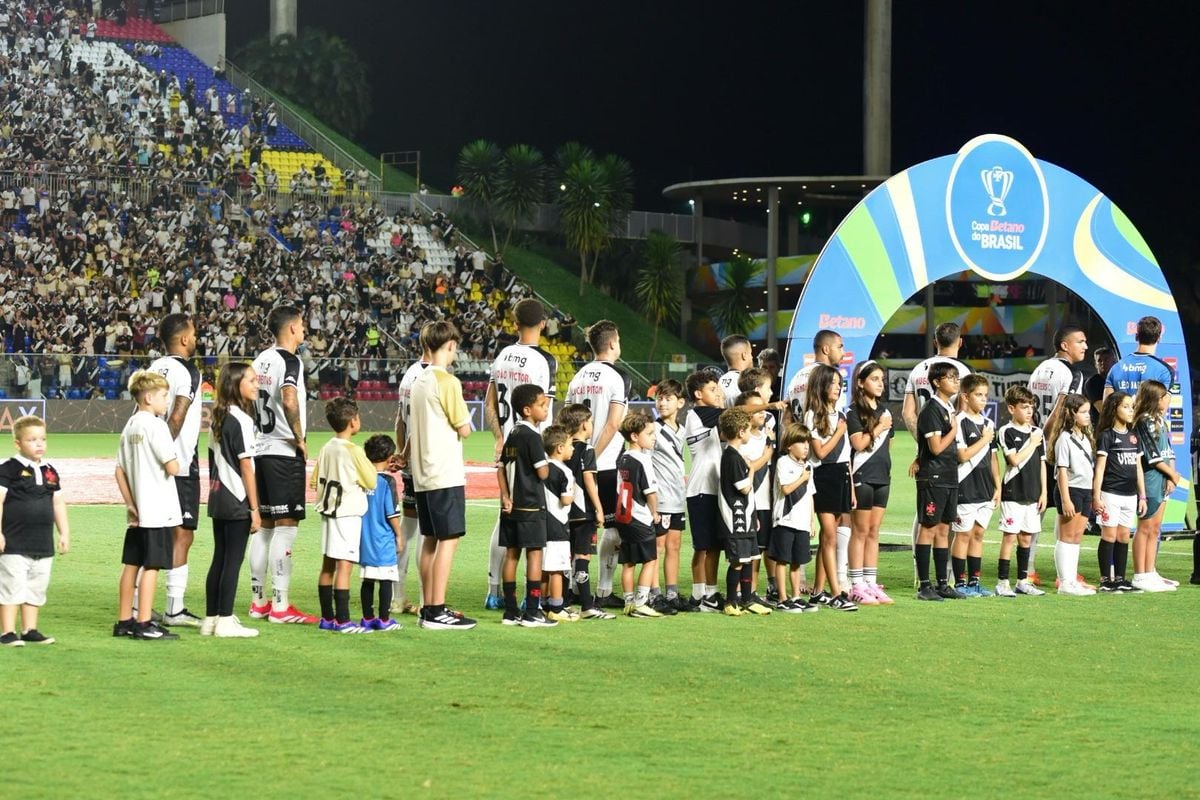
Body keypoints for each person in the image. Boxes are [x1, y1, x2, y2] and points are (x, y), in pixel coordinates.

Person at [484, 299, 557, 609]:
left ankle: (494, 590)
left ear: (515, 324)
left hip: (509, 443)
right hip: (532, 444)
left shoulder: (502, 356)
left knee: (505, 519)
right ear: (543, 323)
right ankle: (538, 596)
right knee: (538, 523)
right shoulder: (544, 360)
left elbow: (488, 403)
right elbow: (546, 407)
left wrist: (500, 437)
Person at [250, 306, 317, 624]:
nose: (304, 330)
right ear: (291, 328)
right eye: (302, 325)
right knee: (286, 529)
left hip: (260, 449)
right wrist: (299, 437)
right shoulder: (290, 361)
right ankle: (280, 606)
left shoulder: (260, 359)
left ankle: (258, 601)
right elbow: (289, 397)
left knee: (264, 529)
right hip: (282, 452)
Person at [409, 321, 477, 630]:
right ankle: (436, 610)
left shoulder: (419, 379)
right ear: (448, 344)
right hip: (444, 472)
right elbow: (464, 427)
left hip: (423, 472)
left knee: (430, 540)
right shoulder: (447, 381)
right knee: (448, 540)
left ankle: (429, 605)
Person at [113, 370, 183, 640]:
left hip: (138, 510)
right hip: (157, 509)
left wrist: (130, 503)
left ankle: (123, 620)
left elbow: (119, 471)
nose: (167, 401)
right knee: (152, 565)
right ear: (149, 397)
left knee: (131, 564)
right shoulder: (156, 426)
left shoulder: (130, 425)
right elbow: (173, 467)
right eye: (164, 396)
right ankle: (143, 623)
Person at [564, 321, 629, 608]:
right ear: (613, 343)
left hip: (574, 465)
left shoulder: (578, 376)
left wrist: (576, 457)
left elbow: (564, 419)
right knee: (612, 528)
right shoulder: (617, 377)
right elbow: (614, 424)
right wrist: (592, 455)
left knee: (575, 527)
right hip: (606, 464)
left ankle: (571, 586)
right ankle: (603, 590)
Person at [785, 329, 853, 587]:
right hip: (823, 461)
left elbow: (788, 419)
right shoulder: (825, 380)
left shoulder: (796, 378)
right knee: (829, 526)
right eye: (839, 346)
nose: (843, 352)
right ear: (825, 349)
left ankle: (802, 578)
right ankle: (837, 582)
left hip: (800, 456)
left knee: (803, 521)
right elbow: (828, 425)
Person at [149, 313, 204, 628]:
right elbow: (177, 417)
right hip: (178, 464)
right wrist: (164, 455)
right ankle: (174, 608)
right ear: (184, 339)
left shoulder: (153, 367)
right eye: (193, 334)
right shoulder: (188, 370)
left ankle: (135, 605)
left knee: (152, 532)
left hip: (151, 463)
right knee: (183, 534)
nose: (195, 339)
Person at [203, 363, 262, 638]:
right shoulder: (242, 421)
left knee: (220, 559)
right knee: (233, 561)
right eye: (250, 380)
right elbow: (247, 467)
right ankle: (225, 620)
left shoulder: (218, 416)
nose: (256, 384)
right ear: (236, 384)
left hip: (218, 497)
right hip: (237, 497)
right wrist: (255, 508)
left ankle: (211, 618)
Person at [0, 416, 70, 647]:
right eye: (32, 440)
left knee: (36, 586)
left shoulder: (50, 471)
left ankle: (30, 629)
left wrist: (64, 533)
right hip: (14, 541)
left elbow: (58, 503)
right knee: (12, 585)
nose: (39, 444)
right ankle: (8, 632)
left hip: (43, 543)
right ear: (18, 443)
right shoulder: (8, 469)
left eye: (42, 439)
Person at [1026, 325, 1088, 584]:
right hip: (1055, 447)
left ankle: (1027, 569)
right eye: (1080, 342)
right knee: (1067, 507)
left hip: (1034, 443)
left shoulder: (1041, 368)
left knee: (1035, 509)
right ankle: (1066, 573)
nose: (1085, 346)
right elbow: (1062, 412)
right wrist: (1050, 446)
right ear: (1065, 345)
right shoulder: (1072, 374)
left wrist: (1035, 440)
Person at [311, 397, 378, 634]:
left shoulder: (326, 447)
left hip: (328, 511)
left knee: (327, 565)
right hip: (347, 513)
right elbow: (371, 480)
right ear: (352, 421)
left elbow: (314, 480)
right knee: (345, 566)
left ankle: (327, 618)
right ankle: (343, 621)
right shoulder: (354, 450)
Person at [497, 384, 554, 628]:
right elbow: (542, 472)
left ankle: (510, 611)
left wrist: (505, 496)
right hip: (531, 504)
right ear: (528, 410)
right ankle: (532, 611)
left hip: (511, 506)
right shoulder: (532, 436)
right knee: (535, 555)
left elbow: (501, 468)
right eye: (542, 405)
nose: (547, 407)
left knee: (511, 554)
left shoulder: (513, 433)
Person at [803, 364, 857, 611]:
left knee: (829, 537)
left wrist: (852, 488)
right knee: (829, 536)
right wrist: (839, 431)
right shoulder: (813, 414)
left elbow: (845, 455)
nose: (837, 387)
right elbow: (821, 452)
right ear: (821, 385)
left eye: (839, 383)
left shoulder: (840, 413)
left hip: (841, 474)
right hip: (823, 475)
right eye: (833, 383)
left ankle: (818, 591)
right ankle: (836, 593)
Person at [914, 361, 964, 601]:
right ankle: (924, 586)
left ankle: (943, 583)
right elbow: (934, 448)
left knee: (944, 529)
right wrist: (953, 431)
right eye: (950, 377)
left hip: (948, 475)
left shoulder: (947, 408)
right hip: (933, 477)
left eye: (956, 377)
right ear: (936, 382)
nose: (955, 381)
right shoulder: (932, 409)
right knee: (929, 528)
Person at [847, 360, 895, 605]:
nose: (880, 384)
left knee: (874, 531)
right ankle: (856, 584)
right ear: (860, 382)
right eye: (874, 379)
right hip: (862, 475)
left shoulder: (885, 411)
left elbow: (889, 445)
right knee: (861, 531)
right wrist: (878, 428)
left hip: (882, 477)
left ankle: (870, 582)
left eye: (881, 379)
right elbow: (858, 444)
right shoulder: (854, 412)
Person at [559, 404, 612, 619]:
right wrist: (599, 509)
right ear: (583, 425)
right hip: (583, 512)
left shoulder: (561, 447)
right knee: (582, 556)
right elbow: (589, 480)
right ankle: (588, 606)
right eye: (589, 421)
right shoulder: (587, 450)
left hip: (563, 511)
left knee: (563, 557)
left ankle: (560, 602)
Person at [716, 408, 770, 616]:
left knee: (749, 557)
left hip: (745, 517)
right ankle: (731, 601)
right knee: (738, 561)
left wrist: (753, 515)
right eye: (748, 429)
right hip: (735, 518)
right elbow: (745, 488)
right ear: (740, 432)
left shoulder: (735, 455)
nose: (750, 433)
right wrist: (753, 469)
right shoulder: (732, 457)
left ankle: (747, 599)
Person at [996, 386, 1047, 597]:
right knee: (1010, 537)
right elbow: (1014, 460)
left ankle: (1022, 581)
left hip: (1033, 494)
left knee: (1026, 539)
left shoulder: (1038, 433)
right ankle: (1002, 582)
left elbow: (1042, 464)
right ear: (1011, 408)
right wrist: (1032, 443)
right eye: (1024, 407)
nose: (1029, 411)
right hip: (1013, 493)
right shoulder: (1006, 431)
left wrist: (1044, 492)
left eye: (1031, 407)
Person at [950, 374, 999, 597]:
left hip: (985, 488)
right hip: (965, 486)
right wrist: (984, 439)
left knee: (978, 534)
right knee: (963, 535)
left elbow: (993, 458)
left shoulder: (989, 424)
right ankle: (959, 583)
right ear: (965, 396)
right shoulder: (958, 421)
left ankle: (974, 582)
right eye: (978, 395)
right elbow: (962, 455)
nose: (983, 400)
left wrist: (997, 486)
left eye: (985, 395)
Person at [392, 340, 431, 616]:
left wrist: (402, 454)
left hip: (410, 467)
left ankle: (397, 598)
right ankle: (427, 601)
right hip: (429, 466)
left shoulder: (409, 374)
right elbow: (421, 424)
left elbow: (400, 421)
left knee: (407, 530)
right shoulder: (433, 377)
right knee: (429, 535)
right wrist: (408, 453)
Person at [1044, 394, 1097, 595]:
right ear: (1072, 414)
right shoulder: (1064, 438)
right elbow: (1062, 472)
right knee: (1066, 537)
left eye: (1088, 411)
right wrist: (1065, 499)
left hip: (1084, 491)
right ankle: (1065, 583)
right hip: (1071, 490)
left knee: (1076, 537)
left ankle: (1072, 579)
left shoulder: (1084, 436)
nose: (1087, 415)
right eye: (1083, 412)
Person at [683, 370, 726, 611]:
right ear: (698, 394)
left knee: (713, 545)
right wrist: (770, 404)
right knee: (703, 545)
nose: (717, 392)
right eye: (712, 389)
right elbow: (733, 415)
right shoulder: (696, 415)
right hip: (701, 488)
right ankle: (699, 594)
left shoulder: (712, 416)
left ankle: (707, 593)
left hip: (713, 487)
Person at [1093, 392, 1145, 593]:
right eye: (1126, 406)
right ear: (1114, 409)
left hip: (1130, 495)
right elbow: (1099, 468)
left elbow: (1138, 467)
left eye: (1131, 407)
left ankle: (1121, 578)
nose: (1131, 410)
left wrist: (1142, 496)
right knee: (1109, 534)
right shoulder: (1107, 436)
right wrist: (1096, 496)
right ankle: (1106, 579)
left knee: (1124, 536)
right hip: (1111, 493)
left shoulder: (1134, 436)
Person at [1130, 381, 1180, 591]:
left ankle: (1150, 572)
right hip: (1151, 478)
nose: (1169, 399)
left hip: (1164, 478)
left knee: (1156, 528)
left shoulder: (1161, 420)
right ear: (1155, 399)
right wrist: (1172, 474)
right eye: (1165, 396)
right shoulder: (1144, 421)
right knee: (1146, 526)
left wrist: (1171, 476)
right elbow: (1152, 457)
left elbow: (1168, 452)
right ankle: (1140, 574)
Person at [615, 412, 664, 618]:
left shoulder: (622, 458)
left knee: (628, 561)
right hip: (640, 516)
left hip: (623, 516)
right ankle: (641, 602)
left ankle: (628, 602)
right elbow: (650, 492)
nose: (654, 437)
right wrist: (655, 512)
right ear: (635, 436)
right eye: (650, 433)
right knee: (650, 559)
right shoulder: (643, 460)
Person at [651, 379, 690, 613]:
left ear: (680, 402)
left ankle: (672, 593)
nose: (663, 403)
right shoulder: (652, 429)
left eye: (668, 398)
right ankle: (654, 593)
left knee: (674, 545)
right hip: (661, 497)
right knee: (658, 546)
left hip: (677, 497)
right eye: (660, 398)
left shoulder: (682, 430)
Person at [769, 423, 817, 612]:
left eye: (807, 442)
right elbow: (786, 489)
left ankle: (796, 596)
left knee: (798, 561)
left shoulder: (808, 466)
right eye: (801, 442)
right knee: (782, 560)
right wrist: (802, 478)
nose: (806, 446)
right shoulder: (783, 462)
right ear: (789, 445)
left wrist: (812, 521)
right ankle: (782, 598)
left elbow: (810, 495)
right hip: (785, 519)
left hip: (802, 521)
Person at [359, 435, 404, 631]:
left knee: (368, 578)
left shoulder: (361, 479)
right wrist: (399, 536)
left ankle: (367, 618)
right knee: (386, 578)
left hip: (364, 537)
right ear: (389, 457)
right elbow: (391, 513)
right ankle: (384, 620)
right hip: (383, 538)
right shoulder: (387, 481)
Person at [734, 391, 775, 606]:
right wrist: (766, 456)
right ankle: (742, 592)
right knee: (747, 551)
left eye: (763, 406)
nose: (762, 411)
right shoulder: (742, 439)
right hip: (749, 501)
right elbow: (746, 468)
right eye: (756, 407)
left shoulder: (766, 436)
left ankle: (752, 591)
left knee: (759, 551)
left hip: (765, 501)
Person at [541, 425, 577, 622]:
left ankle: (544, 603)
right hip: (558, 525)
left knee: (544, 567)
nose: (572, 449)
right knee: (557, 568)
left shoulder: (541, 468)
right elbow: (565, 500)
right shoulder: (564, 471)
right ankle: (557, 606)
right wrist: (572, 496)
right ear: (560, 448)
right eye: (570, 445)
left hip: (541, 524)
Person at [1104, 316, 1175, 400]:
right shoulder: (1164, 371)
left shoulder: (1116, 368)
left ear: (1136, 336)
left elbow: (1106, 406)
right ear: (1159, 338)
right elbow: (1161, 407)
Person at [717, 334, 753, 407]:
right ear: (744, 355)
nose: (752, 357)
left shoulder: (719, 383)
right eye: (750, 353)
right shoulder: (747, 383)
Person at [1085, 347, 1117, 426]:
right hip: (1102, 428)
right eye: (1099, 361)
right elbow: (1102, 409)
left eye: (1106, 359)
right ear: (1096, 364)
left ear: (1114, 362)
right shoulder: (1093, 382)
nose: (1102, 363)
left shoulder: (1119, 380)